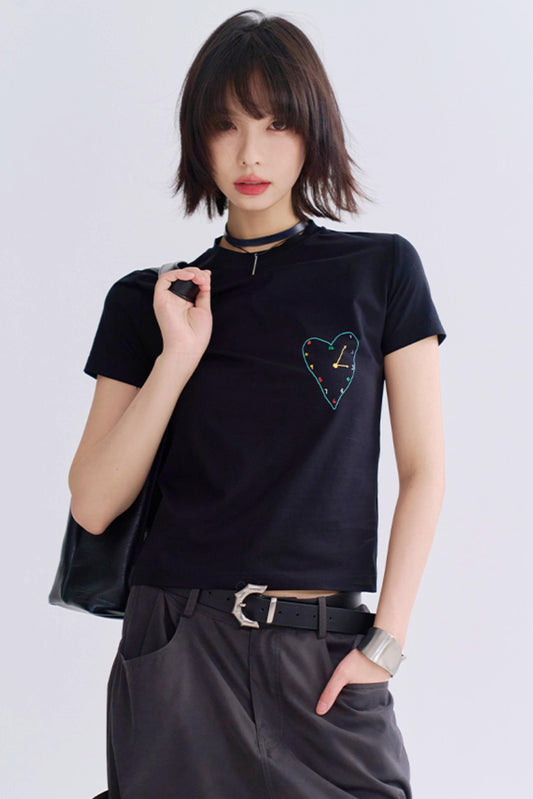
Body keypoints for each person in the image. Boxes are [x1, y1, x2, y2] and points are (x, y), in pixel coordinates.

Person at [69, 9, 447, 799]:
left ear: (312, 131)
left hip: (324, 652)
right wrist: (177, 356)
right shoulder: (150, 301)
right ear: (197, 137)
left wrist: (385, 641)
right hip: (178, 646)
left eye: (276, 124)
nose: (249, 153)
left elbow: (423, 469)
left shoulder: (379, 272)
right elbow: (95, 501)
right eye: (226, 124)